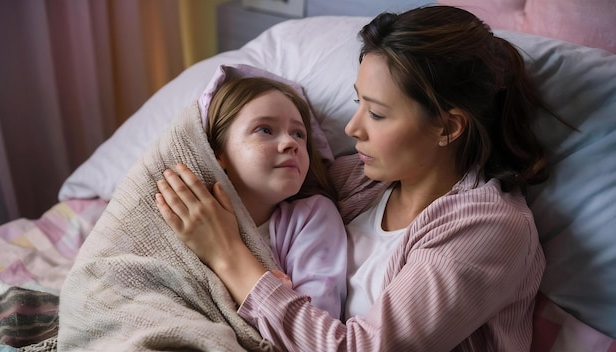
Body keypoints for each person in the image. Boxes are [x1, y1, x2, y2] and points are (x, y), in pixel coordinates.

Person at [156, 5, 551, 351]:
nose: (351, 128)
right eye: (356, 102)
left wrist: (227, 255)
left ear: (447, 127)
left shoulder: (490, 229)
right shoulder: (356, 180)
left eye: (376, 114)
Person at [155, 76, 347, 320]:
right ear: (217, 152)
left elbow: (319, 321)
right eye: (265, 130)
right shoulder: (188, 211)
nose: (291, 143)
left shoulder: (310, 215)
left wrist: (267, 291)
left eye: (299, 134)